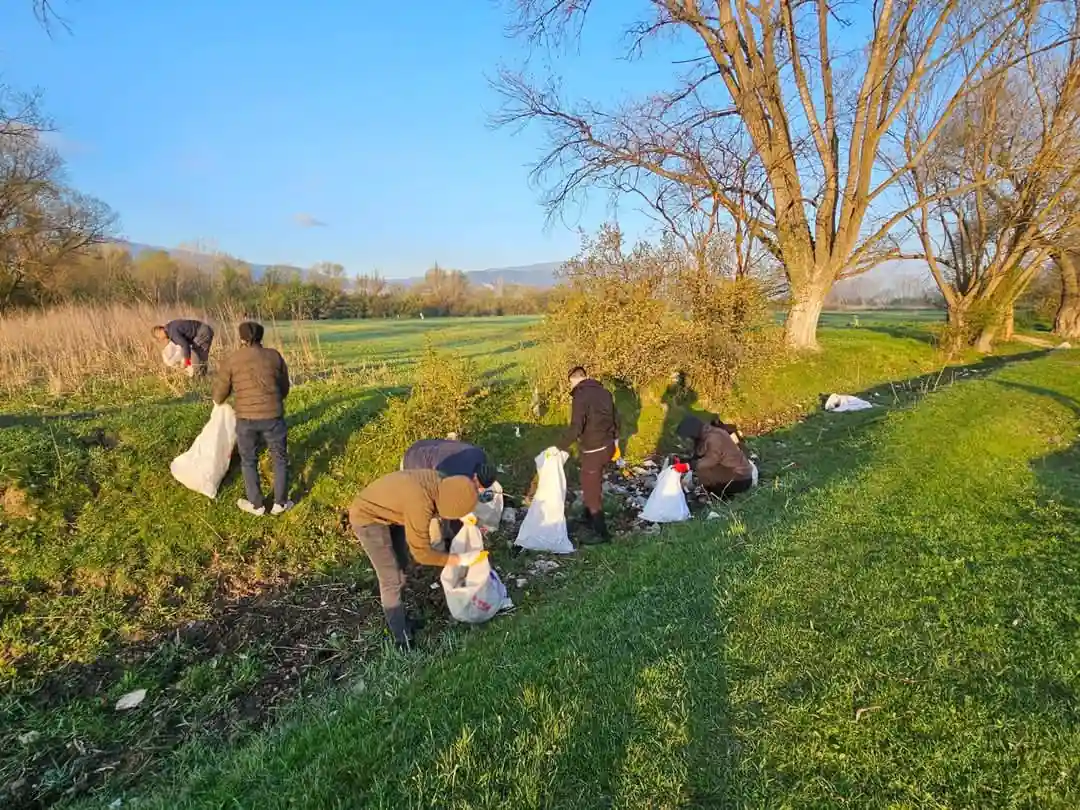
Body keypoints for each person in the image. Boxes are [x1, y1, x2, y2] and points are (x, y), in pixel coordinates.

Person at [349, 470, 482, 648]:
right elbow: (421, 554)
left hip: (390, 511)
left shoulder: (443, 480)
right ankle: (401, 638)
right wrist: (459, 560)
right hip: (368, 518)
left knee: (401, 564)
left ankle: (403, 620)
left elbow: (454, 499)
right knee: (391, 579)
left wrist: (465, 515)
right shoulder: (420, 504)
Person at [211, 321, 292, 516]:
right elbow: (284, 387)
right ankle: (280, 503)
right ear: (261, 337)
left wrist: (218, 402)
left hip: (246, 419)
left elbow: (221, 392)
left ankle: (257, 505)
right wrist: (273, 400)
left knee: (249, 460)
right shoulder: (274, 356)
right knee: (279, 458)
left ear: (241, 338)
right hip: (273, 416)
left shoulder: (233, 359)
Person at [557, 366, 620, 544]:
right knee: (590, 482)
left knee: (591, 491)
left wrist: (559, 447)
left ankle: (602, 534)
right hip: (607, 447)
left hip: (593, 450)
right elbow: (617, 418)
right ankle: (587, 517)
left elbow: (576, 427)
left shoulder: (580, 395)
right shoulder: (605, 392)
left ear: (574, 380)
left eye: (571, 384)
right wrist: (615, 440)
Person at [401, 438, 499, 549]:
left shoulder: (480, 457)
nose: (478, 489)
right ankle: (436, 549)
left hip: (424, 446)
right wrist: (464, 515)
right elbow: (445, 500)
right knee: (432, 508)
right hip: (414, 465)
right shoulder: (455, 474)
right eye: (478, 486)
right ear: (475, 476)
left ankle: (449, 534)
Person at [676, 415, 755, 497]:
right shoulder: (708, 433)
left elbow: (711, 460)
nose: (689, 440)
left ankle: (716, 495)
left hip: (740, 478)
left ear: (693, 433)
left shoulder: (713, 438)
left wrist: (689, 465)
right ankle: (711, 491)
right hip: (733, 471)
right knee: (700, 468)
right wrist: (685, 461)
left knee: (703, 470)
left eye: (689, 437)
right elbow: (700, 455)